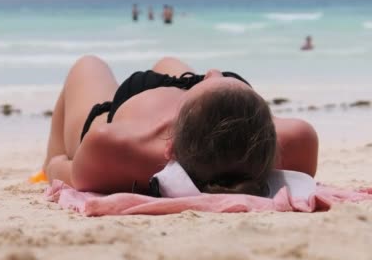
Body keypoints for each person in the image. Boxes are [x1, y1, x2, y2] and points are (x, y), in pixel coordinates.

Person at [39, 55, 318, 196]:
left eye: (207, 80)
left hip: (135, 105)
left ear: (169, 146)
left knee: (88, 64)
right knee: (168, 61)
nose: (210, 73)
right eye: (217, 77)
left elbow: (62, 171)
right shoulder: (297, 139)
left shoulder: (115, 146)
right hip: (214, 112)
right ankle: (215, 89)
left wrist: (53, 162)